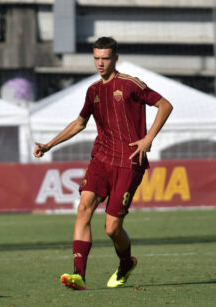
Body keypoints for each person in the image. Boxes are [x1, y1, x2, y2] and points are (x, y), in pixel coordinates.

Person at [34, 37, 173, 290]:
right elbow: (79, 123)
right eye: (96, 58)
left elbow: (165, 105)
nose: (100, 63)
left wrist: (148, 138)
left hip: (129, 163)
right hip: (101, 158)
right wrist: (49, 145)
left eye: (105, 58)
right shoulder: (93, 91)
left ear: (115, 59)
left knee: (112, 228)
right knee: (84, 207)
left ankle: (125, 263)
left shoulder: (130, 85)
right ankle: (79, 275)